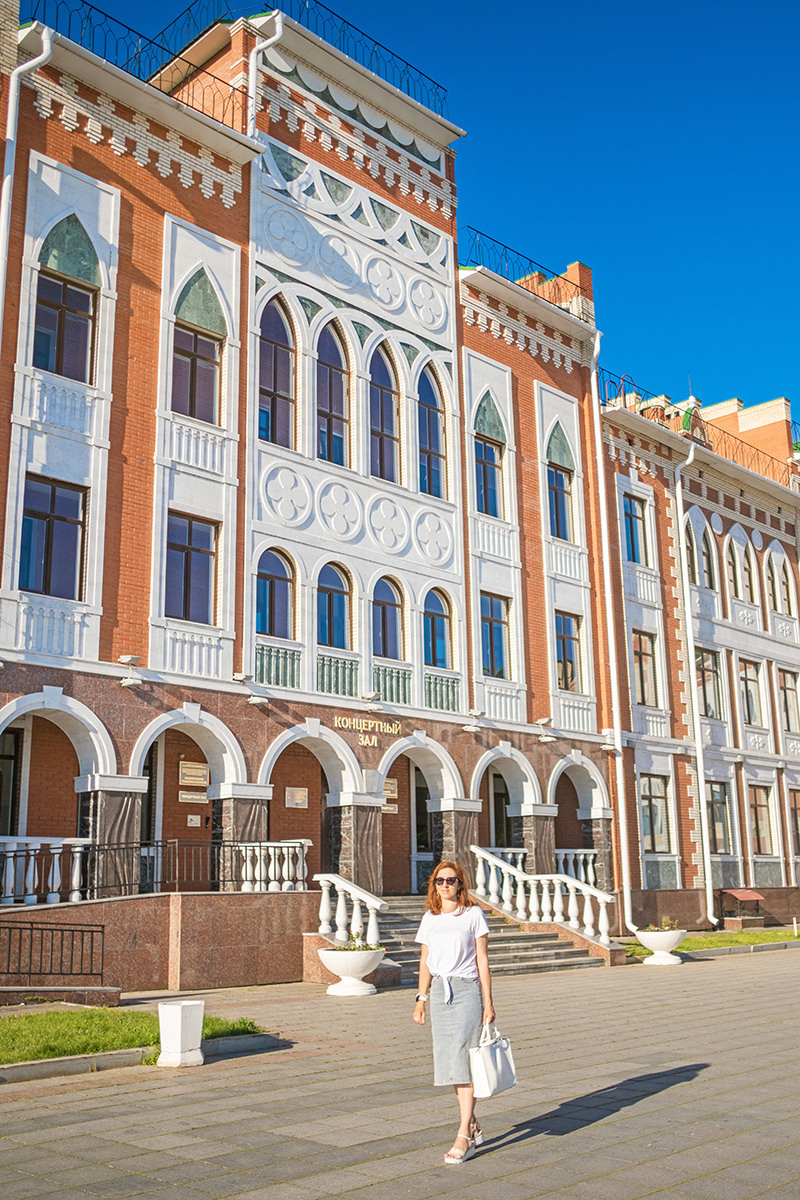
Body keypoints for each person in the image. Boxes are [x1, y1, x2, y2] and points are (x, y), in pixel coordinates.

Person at [413, 859, 495, 1165]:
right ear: (433, 885)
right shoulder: (429, 919)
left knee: (464, 1059)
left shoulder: (473, 915)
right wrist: (421, 999)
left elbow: (482, 961)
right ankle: (471, 1122)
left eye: (451, 880)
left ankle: (463, 1134)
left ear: (460, 883)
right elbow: (425, 961)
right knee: (450, 1064)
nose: (445, 885)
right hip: (439, 995)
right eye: (439, 880)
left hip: (466, 992)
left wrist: (488, 1002)